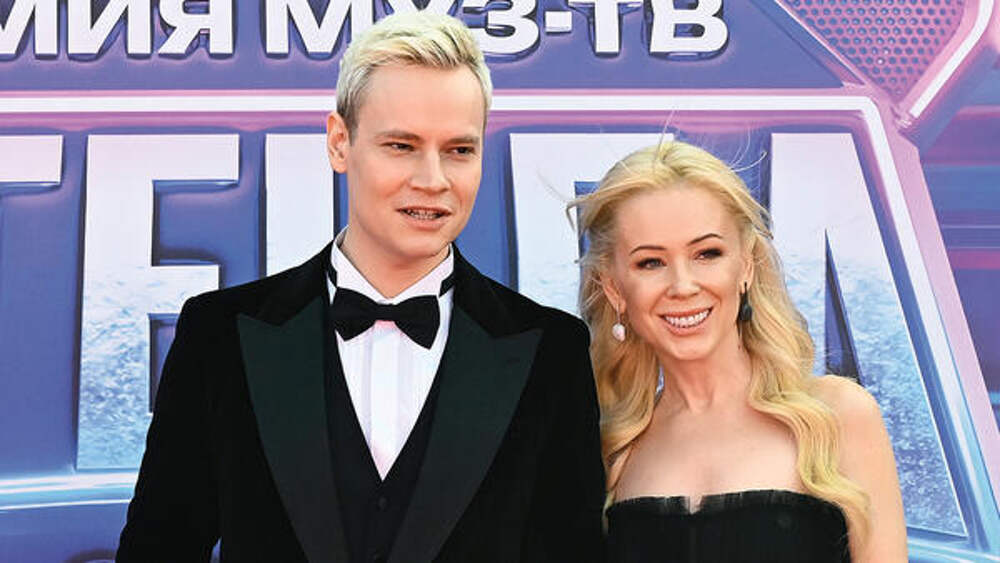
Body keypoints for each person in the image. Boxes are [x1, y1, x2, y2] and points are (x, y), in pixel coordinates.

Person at [116, 11, 605, 563]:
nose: (433, 179)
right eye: (401, 145)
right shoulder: (219, 336)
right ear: (339, 142)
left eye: (459, 150)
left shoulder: (550, 352)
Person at [570, 141, 907, 562]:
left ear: (746, 265)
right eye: (651, 262)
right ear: (613, 287)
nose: (683, 286)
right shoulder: (615, 452)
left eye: (707, 254)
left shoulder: (837, 416)